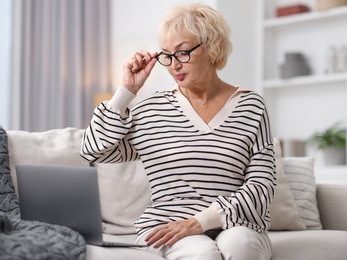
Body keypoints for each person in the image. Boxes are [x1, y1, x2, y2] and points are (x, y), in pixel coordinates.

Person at [81, 3, 276, 260]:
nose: (174, 65)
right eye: (166, 55)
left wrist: (202, 221)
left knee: (240, 244)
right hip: (166, 228)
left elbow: (262, 184)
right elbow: (93, 152)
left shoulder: (251, 105)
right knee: (202, 253)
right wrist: (126, 91)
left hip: (236, 224)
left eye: (183, 53)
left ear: (212, 47)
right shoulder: (151, 110)